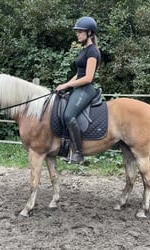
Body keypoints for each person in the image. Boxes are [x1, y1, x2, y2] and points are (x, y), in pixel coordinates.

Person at [55, 16, 101, 164]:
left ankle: (79, 153)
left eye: (80, 32)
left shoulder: (92, 51)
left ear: (89, 32)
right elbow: (79, 73)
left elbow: (88, 77)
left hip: (86, 89)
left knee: (69, 115)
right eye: (77, 32)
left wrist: (68, 86)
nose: (77, 34)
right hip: (78, 88)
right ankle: (64, 147)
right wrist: (65, 84)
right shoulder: (84, 50)